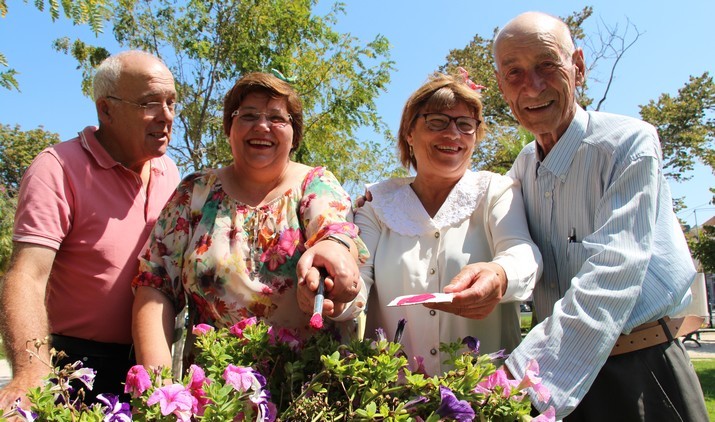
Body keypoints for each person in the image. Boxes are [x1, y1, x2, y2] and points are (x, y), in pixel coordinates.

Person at [493, 11, 708, 421]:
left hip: (640, 373)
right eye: (514, 72)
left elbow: (614, 269)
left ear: (578, 66)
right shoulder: (521, 168)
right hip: (551, 377)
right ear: (502, 86)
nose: (532, 86)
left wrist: (515, 379)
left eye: (546, 65)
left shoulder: (628, 141)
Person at [131, 72, 369, 371]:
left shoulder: (315, 183)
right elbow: (156, 285)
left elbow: (333, 229)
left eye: (277, 118)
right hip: (213, 397)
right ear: (229, 128)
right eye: (248, 115)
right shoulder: (195, 192)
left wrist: (335, 251)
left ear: (294, 133)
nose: (262, 126)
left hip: (304, 393)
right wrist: (157, 388)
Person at [0, 50, 180, 409]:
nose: (166, 116)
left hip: (149, 364)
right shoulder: (57, 168)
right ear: (106, 110)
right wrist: (30, 373)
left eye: (172, 102)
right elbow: (27, 276)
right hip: (75, 367)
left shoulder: (170, 173)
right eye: (149, 103)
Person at [354, 71, 541, 376]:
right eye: (437, 121)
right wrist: (342, 293)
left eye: (465, 125)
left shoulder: (497, 190)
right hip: (392, 399)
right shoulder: (377, 203)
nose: (453, 134)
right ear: (409, 133)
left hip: (483, 397)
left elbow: (520, 250)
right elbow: (356, 275)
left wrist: (499, 275)